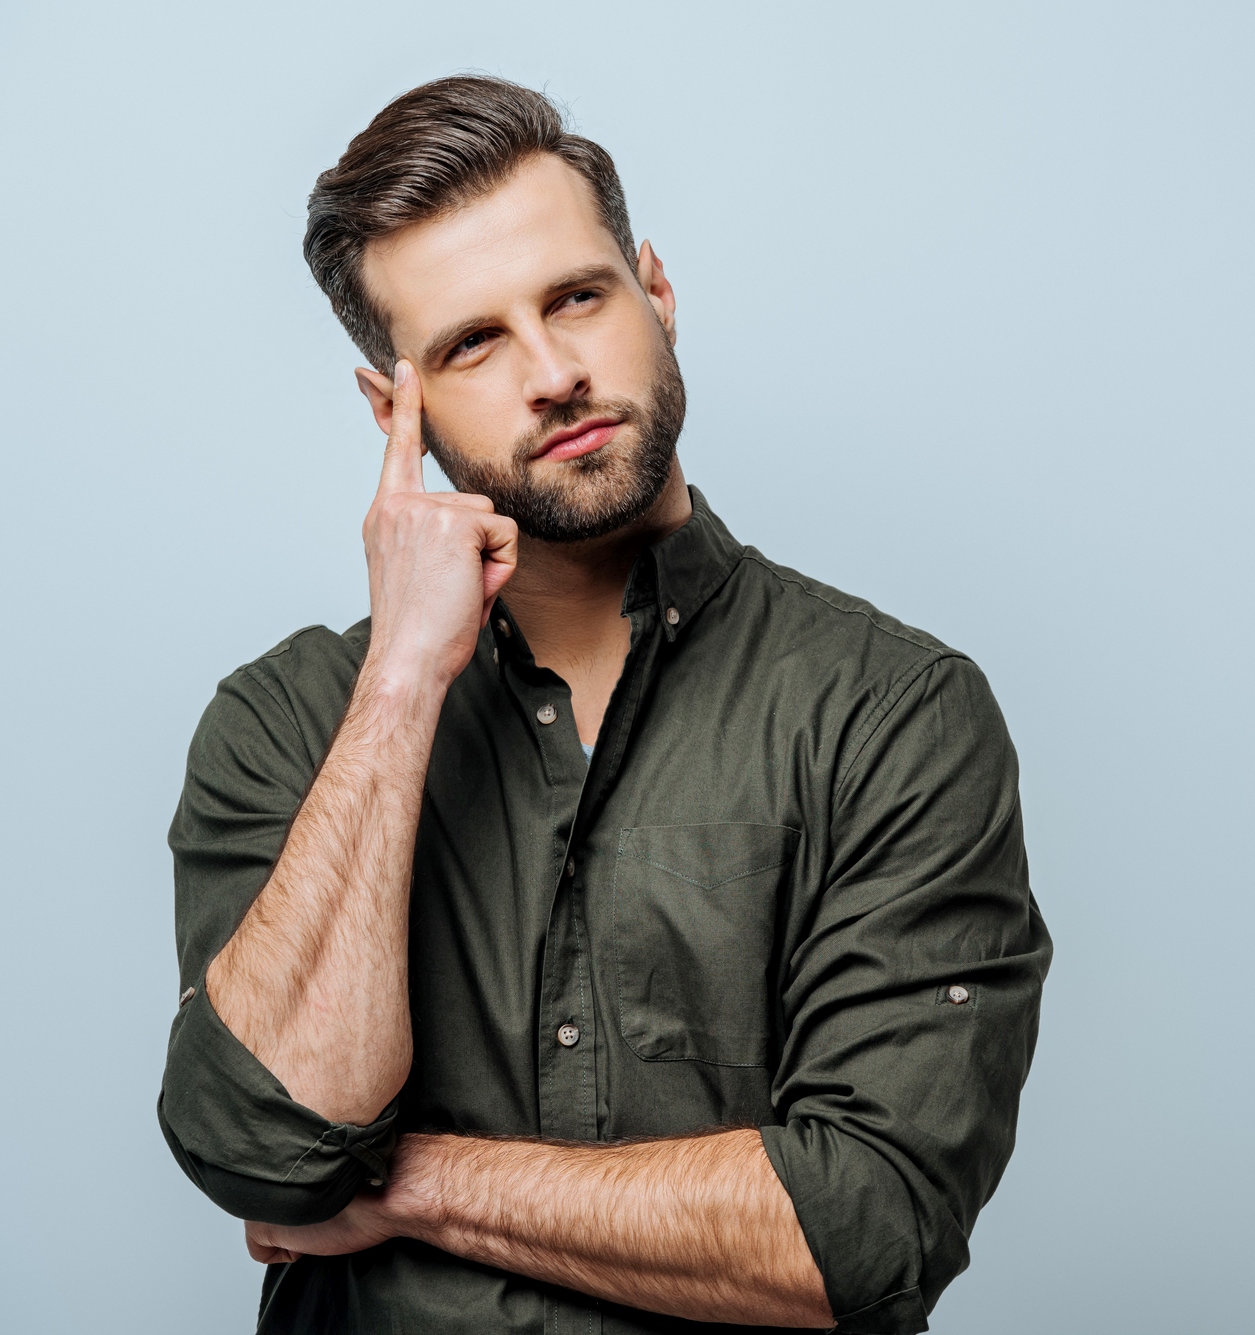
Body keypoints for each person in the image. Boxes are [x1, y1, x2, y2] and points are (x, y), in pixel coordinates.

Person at [157, 75, 1051, 1335]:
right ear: (389, 411)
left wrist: (402, 1184)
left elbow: (863, 1226)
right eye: (472, 342)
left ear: (657, 293)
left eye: (576, 298)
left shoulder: (890, 713)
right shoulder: (288, 723)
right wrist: (403, 682)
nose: (554, 373)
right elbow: (266, 1152)